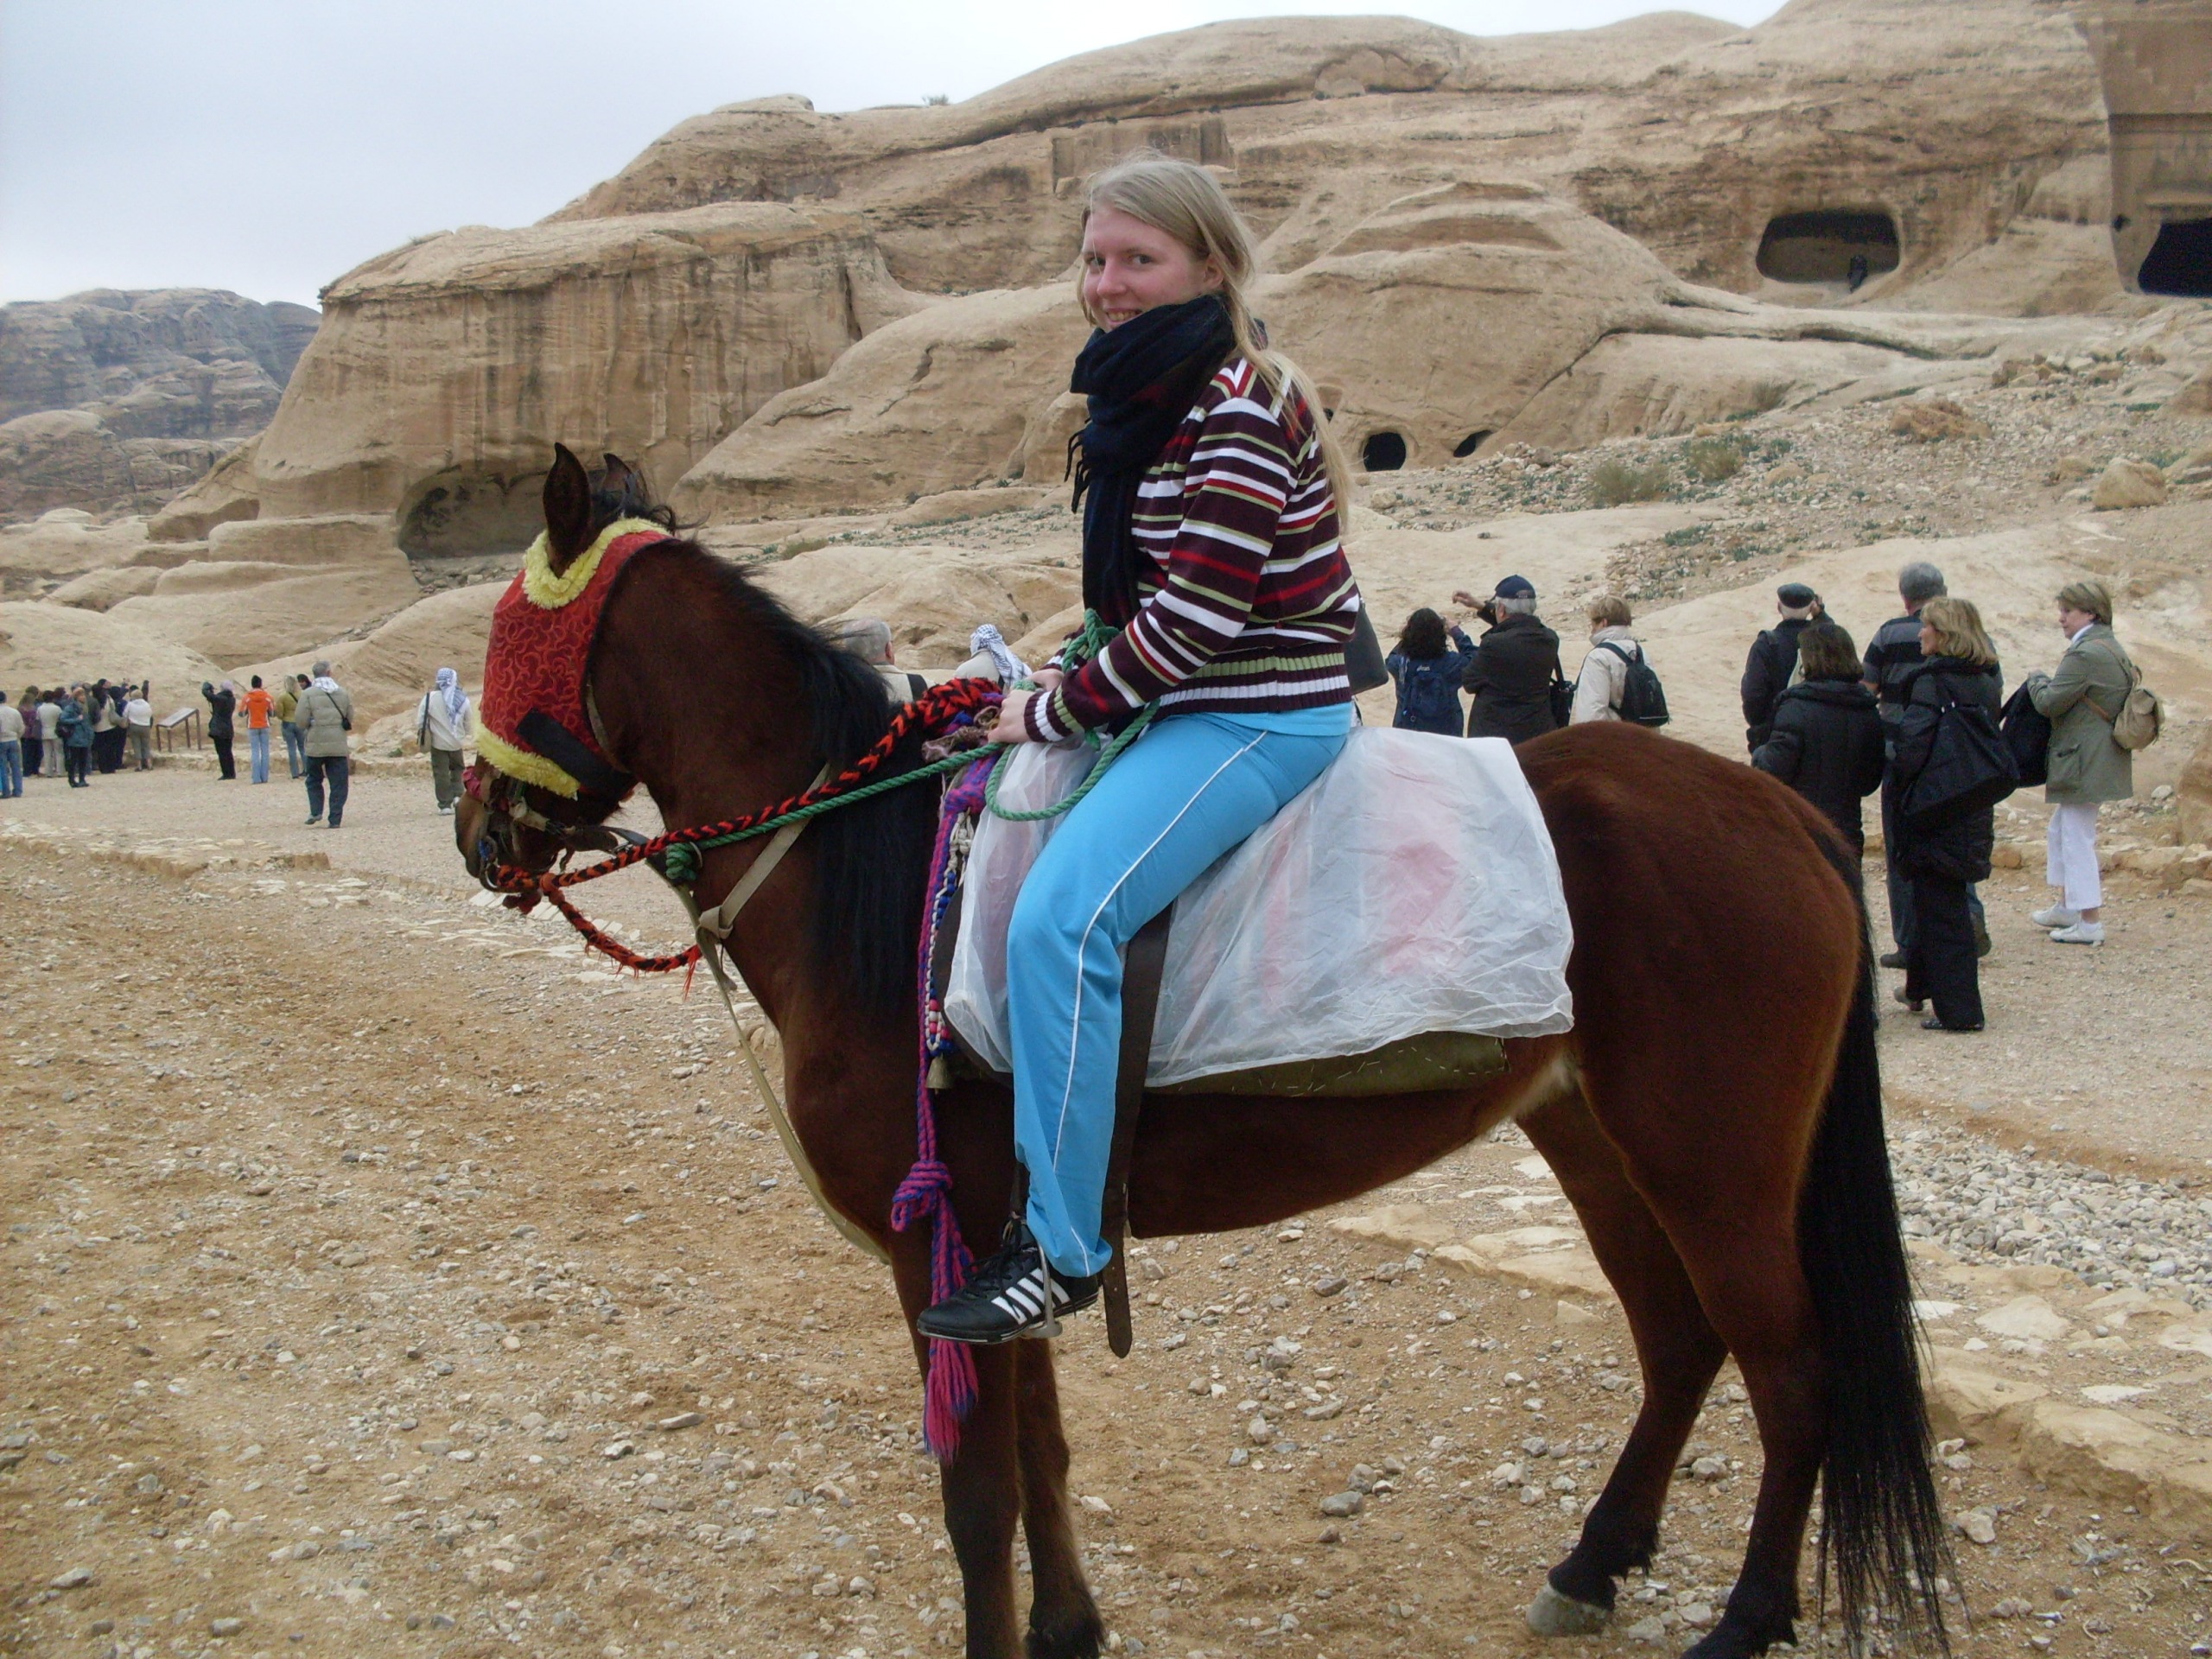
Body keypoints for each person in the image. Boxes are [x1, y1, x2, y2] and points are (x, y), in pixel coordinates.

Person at [914, 152, 1362, 1345]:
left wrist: (1053, 713)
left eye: (1138, 260)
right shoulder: (1146, 395)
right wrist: (1051, 677)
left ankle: (1056, 1249)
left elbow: (1198, 619)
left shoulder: (1238, 405)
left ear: (1209, 265)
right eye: (1095, 258)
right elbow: (1141, 601)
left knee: (1059, 923)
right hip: (1177, 700)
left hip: (1255, 711)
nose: (1107, 283)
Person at [1886, 598, 2002, 1033]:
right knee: (1937, 899)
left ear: (1944, 633)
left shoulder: (1932, 683)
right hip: (1970, 802)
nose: (1920, 633)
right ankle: (1921, 987)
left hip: (1934, 806)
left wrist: (1899, 784)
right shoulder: (1985, 681)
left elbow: (1913, 747)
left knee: (1942, 910)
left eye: (1927, 626)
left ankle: (1960, 1011)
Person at [1865, 561, 1987, 965]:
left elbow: (1867, 687)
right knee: (1956, 844)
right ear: (1943, 590)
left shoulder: (1888, 634)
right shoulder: (1973, 637)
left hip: (1901, 754)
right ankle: (1968, 920)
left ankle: (1909, 941)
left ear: (1905, 597)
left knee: (1903, 850)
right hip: (1959, 759)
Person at [2024, 579, 2134, 946]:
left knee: (2076, 837)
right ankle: (2068, 906)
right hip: (2098, 755)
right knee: (2063, 829)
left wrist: (2035, 680)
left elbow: (2049, 702)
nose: (2062, 618)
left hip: (2083, 757)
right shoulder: (2110, 646)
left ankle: (2089, 920)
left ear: (2090, 613)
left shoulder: (2084, 654)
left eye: (2067, 611)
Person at [1751, 620, 1885, 855]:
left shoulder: (1796, 707)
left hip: (1802, 831)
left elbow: (1773, 770)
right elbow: (1869, 782)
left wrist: (1759, 749)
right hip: (1847, 833)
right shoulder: (1867, 709)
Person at [1452, 575, 1561, 743]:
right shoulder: (1550, 639)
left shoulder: (1494, 644)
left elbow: (1469, 682)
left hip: (1497, 736)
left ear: (1501, 610)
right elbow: (1520, 626)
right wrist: (1482, 607)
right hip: (1537, 733)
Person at [1740, 582, 1822, 752]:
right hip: (1818, 733)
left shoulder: (1767, 644)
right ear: (1811, 608)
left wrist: (1761, 726)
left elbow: (1753, 694)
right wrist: (1821, 615)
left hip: (1775, 736)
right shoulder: (1824, 641)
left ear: (1779, 607)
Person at [1385, 607, 1475, 734]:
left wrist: (1410, 635)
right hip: (1445, 733)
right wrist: (1456, 631)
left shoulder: (1400, 664)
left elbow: (1390, 658)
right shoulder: (1451, 663)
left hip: (1408, 732)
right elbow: (1473, 657)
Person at [1569, 594, 1649, 725]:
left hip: (1614, 734)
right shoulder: (1641, 652)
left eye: (1593, 623)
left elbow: (1591, 715)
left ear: (1604, 622)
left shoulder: (1598, 657)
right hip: (1643, 734)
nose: (1592, 629)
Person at [296, 660, 354, 828]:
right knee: (339, 783)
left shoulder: (308, 694)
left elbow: (300, 720)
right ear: (329, 673)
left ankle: (316, 811)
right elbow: (350, 716)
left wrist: (312, 724)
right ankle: (335, 819)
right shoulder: (342, 693)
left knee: (313, 779)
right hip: (338, 745)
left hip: (315, 744)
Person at [416, 667, 473, 813]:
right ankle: (458, 796)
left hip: (438, 743)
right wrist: (464, 734)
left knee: (441, 773)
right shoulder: (462, 699)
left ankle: (445, 805)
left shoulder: (430, 698)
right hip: (457, 743)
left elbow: (421, 720)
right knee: (458, 769)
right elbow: (468, 722)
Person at [236, 675, 274, 784]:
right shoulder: (268, 697)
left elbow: (241, 713)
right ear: (261, 684)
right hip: (265, 725)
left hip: (252, 726)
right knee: (265, 751)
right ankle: (265, 777)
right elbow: (272, 713)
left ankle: (256, 778)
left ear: (252, 684)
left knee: (255, 751)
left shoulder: (247, 697)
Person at [201, 680, 238, 780]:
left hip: (219, 729)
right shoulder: (232, 699)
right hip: (228, 729)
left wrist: (206, 688)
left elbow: (207, 694)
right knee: (228, 752)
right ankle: (231, 773)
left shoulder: (220, 699)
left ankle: (226, 774)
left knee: (221, 752)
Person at [58, 686, 94, 787]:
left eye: (84, 695)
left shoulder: (85, 707)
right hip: (75, 736)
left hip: (85, 736)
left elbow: (88, 723)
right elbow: (63, 719)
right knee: (73, 760)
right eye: (81, 695)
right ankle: (72, 779)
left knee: (83, 760)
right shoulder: (70, 708)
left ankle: (82, 779)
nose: (83, 697)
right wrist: (77, 720)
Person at [276, 674, 306, 779]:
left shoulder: (283, 697)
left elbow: (279, 713)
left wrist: (283, 717)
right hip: (300, 722)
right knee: (303, 747)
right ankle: (307, 769)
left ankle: (294, 773)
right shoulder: (303, 694)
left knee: (291, 748)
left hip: (288, 722)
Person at [124, 685, 153, 770]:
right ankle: (149, 764)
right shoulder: (146, 704)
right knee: (146, 745)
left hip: (134, 726)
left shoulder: (130, 704)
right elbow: (150, 714)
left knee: (136, 745)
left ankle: (139, 765)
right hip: (146, 726)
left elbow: (125, 714)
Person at [18, 686, 42, 779]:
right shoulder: (34, 709)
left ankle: (27, 771)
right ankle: (34, 770)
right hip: (33, 733)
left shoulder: (20, 709)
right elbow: (34, 722)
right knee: (36, 753)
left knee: (26, 753)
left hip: (24, 733)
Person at [0, 691, 22, 799]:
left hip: (2, 740)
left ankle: (6, 791)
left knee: (3, 767)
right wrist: (17, 736)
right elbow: (21, 727)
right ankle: (18, 790)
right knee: (16, 767)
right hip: (13, 739)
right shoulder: (14, 712)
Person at [35, 690, 61, 777]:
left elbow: (38, 720)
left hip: (44, 731)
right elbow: (61, 719)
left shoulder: (40, 708)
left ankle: (48, 772)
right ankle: (60, 771)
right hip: (55, 731)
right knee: (59, 753)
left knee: (47, 754)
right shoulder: (57, 708)